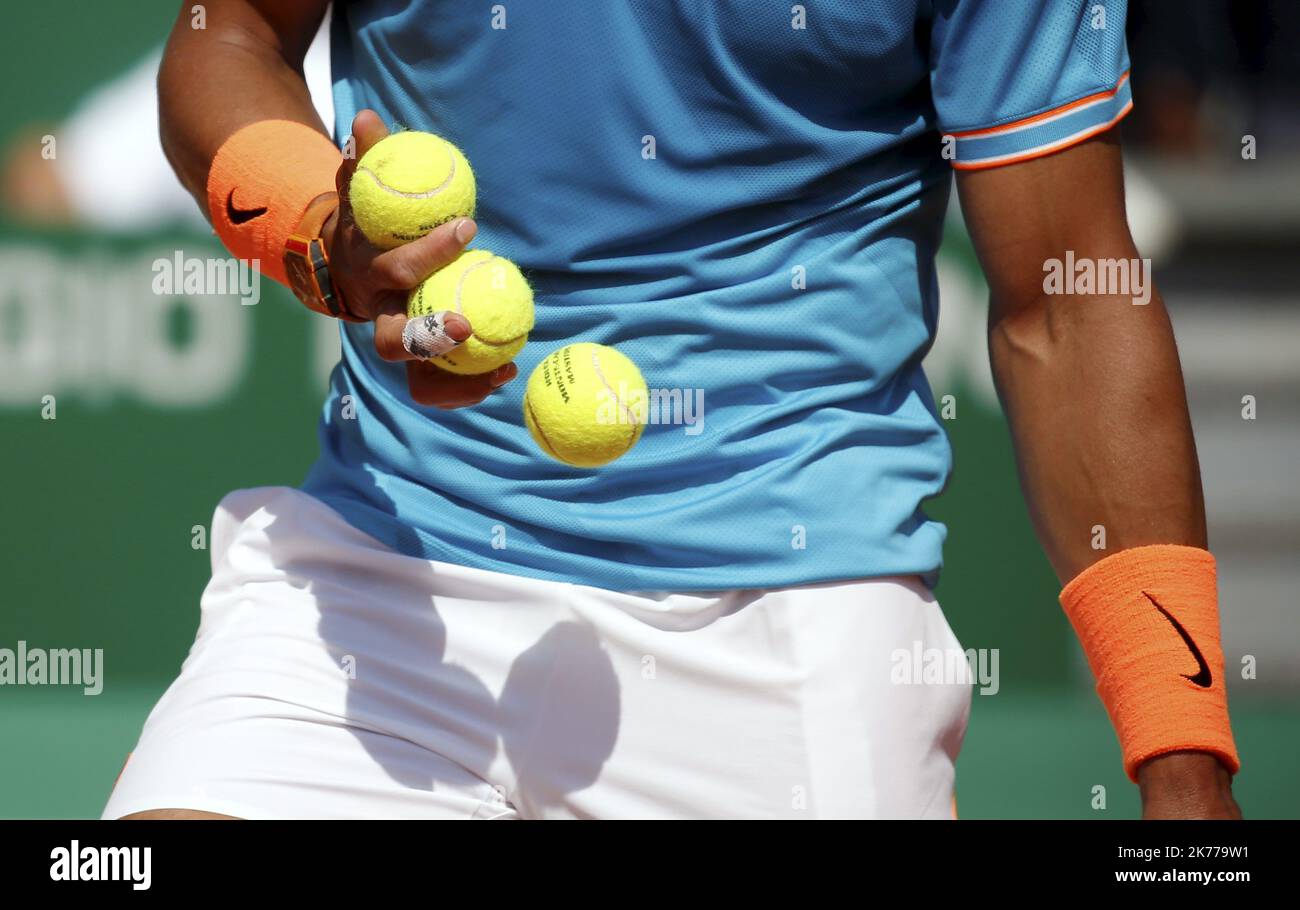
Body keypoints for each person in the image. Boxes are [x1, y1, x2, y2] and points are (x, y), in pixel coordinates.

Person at [104, 0, 1240, 819]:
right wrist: (319, 233)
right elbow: (227, 34)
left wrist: (1179, 755)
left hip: (791, 607)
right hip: (384, 566)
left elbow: (1065, 298)